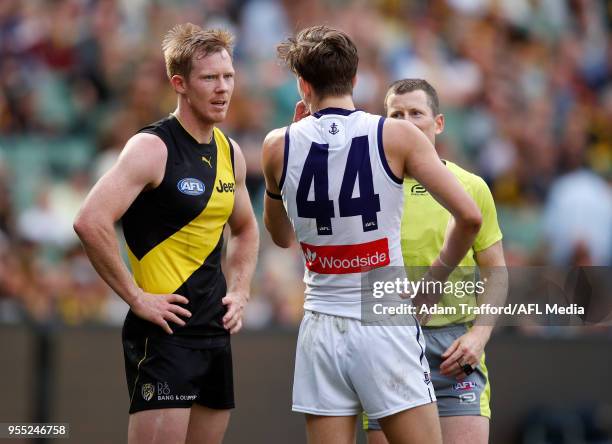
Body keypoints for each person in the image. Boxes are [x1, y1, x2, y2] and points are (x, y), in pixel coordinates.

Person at [262, 26, 483, 444]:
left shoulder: (277, 144)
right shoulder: (396, 135)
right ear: (356, 79)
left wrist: (282, 169)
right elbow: (469, 217)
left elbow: (280, 236)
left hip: (320, 323)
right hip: (385, 319)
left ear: (302, 85)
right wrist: (434, 280)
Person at [73, 23, 259, 444]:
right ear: (180, 83)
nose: (222, 88)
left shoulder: (231, 152)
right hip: (165, 336)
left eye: (228, 76)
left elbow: (246, 228)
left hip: (215, 333)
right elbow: (90, 220)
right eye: (209, 78)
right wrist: (136, 298)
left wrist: (242, 290)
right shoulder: (151, 148)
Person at [364, 79, 507, 444]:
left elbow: (497, 274)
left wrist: (479, 334)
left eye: (417, 113)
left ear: (438, 123)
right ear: (386, 125)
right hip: (389, 346)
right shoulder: (368, 189)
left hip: (453, 351)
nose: (408, 122)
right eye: (397, 115)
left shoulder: (469, 186)